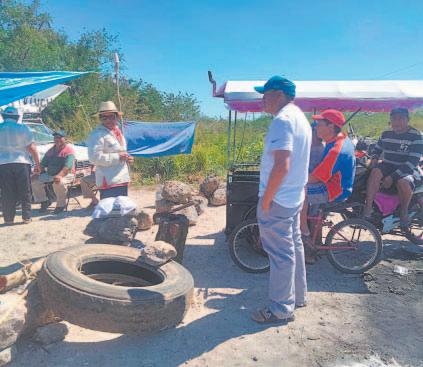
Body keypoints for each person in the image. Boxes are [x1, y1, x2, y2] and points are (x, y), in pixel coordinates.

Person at [250, 76, 311, 324]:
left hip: (279, 199)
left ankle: (281, 308)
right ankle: (298, 296)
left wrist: (266, 199)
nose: (262, 99)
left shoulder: (282, 121)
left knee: (280, 254)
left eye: (265, 93)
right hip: (294, 196)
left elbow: (282, 165)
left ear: (278, 94)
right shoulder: (299, 118)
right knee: (293, 247)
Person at [300, 109, 356, 249]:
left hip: (334, 190)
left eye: (319, 124)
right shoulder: (339, 138)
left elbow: (313, 179)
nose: (316, 127)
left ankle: (304, 232)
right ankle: (311, 237)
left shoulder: (336, 150)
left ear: (331, 126)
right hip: (333, 184)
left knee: (299, 193)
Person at [363, 108, 423, 231]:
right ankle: (368, 208)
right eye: (394, 118)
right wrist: (374, 158)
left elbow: (412, 162)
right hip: (389, 165)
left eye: (400, 118)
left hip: (408, 169)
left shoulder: (416, 136)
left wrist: (392, 177)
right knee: (375, 172)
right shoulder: (386, 134)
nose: (397, 122)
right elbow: (377, 149)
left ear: (408, 120)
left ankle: (404, 211)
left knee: (403, 182)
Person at [0, 107, 40, 224]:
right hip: (21, 161)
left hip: (3, 163)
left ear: (3, 116)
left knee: (7, 191)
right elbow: (31, 148)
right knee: (25, 190)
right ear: (17, 117)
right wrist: (38, 164)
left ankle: (8, 219)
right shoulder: (23, 128)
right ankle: (26, 217)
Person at [86, 101, 133, 199]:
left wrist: (127, 158)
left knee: (122, 209)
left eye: (111, 117)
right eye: (104, 117)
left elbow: (120, 151)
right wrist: (119, 157)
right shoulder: (97, 135)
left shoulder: (118, 132)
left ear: (117, 117)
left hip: (121, 178)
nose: (108, 120)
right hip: (108, 180)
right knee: (110, 211)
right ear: (100, 119)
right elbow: (94, 158)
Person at [31, 130, 75, 214]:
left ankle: (61, 205)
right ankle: (44, 201)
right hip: (50, 174)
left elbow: (67, 168)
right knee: (34, 181)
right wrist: (36, 172)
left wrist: (59, 176)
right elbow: (43, 164)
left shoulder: (69, 151)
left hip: (66, 174)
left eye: (59, 137)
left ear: (65, 139)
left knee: (58, 182)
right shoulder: (51, 150)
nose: (57, 139)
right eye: (55, 138)